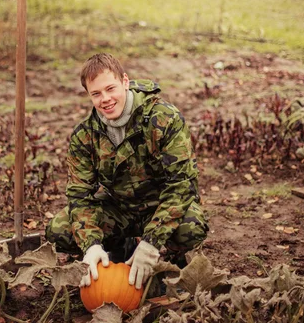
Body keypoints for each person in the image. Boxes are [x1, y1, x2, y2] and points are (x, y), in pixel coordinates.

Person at [46, 53, 208, 290]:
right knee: (60, 230)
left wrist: (152, 242)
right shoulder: (85, 135)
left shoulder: (163, 118)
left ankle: (172, 261)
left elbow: (182, 185)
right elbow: (80, 197)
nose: (106, 99)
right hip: (118, 208)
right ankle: (118, 249)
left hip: (160, 205)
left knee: (192, 227)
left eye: (110, 88)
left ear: (125, 81)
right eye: (96, 94)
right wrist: (91, 245)